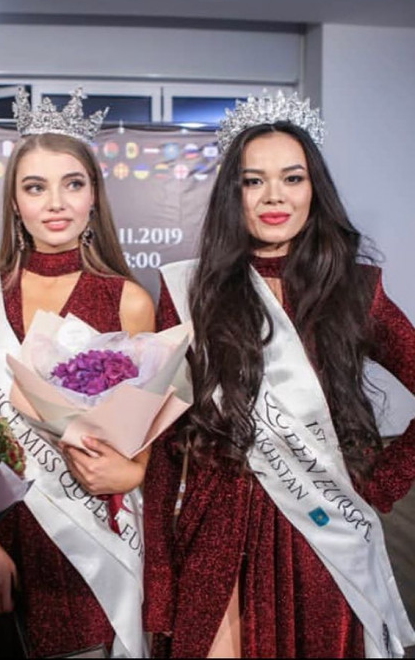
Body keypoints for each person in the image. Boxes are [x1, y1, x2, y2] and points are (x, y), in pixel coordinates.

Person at [143, 91, 415, 658]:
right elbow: (166, 445)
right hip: (216, 532)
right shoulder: (190, 292)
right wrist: (160, 583)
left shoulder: (355, 290)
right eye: (253, 181)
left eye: (292, 178)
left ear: (314, 189)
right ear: (232, 193)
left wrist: (383, 484)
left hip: (321, 531)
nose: (274, 196)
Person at [0, 88, 155, 658]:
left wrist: (131, 472)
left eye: (73, 183)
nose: (56, 203)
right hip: (5, 532)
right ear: (15, 203)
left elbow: (148, 438)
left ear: (94, 197)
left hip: (92, 533)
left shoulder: (128, 300)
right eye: (35, 187)